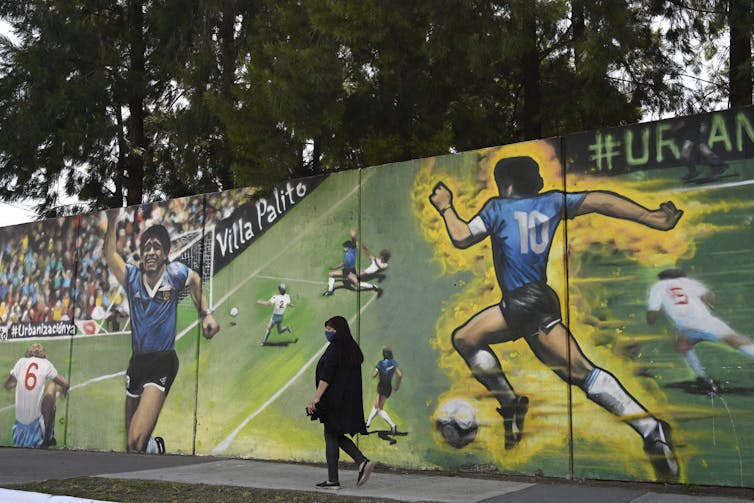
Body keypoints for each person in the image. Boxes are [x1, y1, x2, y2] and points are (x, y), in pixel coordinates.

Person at [429, 155, 684, 482]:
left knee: (475, 341)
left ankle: (513, 404)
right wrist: (650, 217)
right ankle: (649, 429)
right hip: (536, 299)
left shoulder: (497, 208)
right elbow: (599, 201)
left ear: (505, 183)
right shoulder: (552, 202)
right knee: (571, 369)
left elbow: (462, 236)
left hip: (523, 302)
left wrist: (446, 207)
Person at [104, 210, 220, 453]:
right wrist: (112, 219)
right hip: (136, 364)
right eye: (146, 247)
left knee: (135, 441)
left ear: (166, 253)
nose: (150, 252)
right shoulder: (132, 277)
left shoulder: (175, 273)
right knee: (131, 444)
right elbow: (110, 255)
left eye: (156, 247)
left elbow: (196, 279)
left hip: (162, 362)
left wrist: (205, 313)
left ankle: (155, 446)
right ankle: (151, 450)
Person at [647, 269, 754, 392]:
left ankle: (702, 378)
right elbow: (710, 296)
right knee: (734, 340)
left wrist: (652, 320)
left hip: (687, 326)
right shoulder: (688, 282)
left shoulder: (658, 286)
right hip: (704, 321)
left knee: (683, 346)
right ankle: (703, 381)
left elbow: (652, 314)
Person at [307, 315, 374, 489]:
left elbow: (326, 377)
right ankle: (361, 462)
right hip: (348, 400)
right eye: (327, 329)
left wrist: (316, 398)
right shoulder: (351, 348)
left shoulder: (334, 349)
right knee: (335, 434)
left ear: (339, 330)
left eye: (330, 329)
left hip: (334, 400)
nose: (327, 332)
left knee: (331, 434)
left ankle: (334, 479)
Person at [4, 343, 69, 448]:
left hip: (18, 433)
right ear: (43, 353)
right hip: (35, 432)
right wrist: (63, 392)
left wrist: (19, 381)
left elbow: (7, 385)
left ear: (29, 352)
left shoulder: (20, 362)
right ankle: (47, 437)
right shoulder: (46, 364)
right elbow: (65, 384)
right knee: (52, 386)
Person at [322, 230, 382, 297]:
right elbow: (344, 263)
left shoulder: (352, 250)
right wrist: (335, 268)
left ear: (348, 247)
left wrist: (353, 236)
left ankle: (373, 286)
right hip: (346, 270)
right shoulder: (348, 253)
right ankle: (330, 291)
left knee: (357, 284)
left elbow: (353, 243)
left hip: (349, 272)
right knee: (331, 274)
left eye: (344, 247)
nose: (343, 248)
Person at [366, 346, 402, 433]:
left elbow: (374, 374)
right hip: (388, 387)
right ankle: (368, 423)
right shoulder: (394, 363)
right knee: (376, 405)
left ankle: (392, 425)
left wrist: (375, 371)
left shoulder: (381, 363)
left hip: (381, 386)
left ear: (383, 355)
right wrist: (397, 385)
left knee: (379, 409)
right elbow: (399, 375)